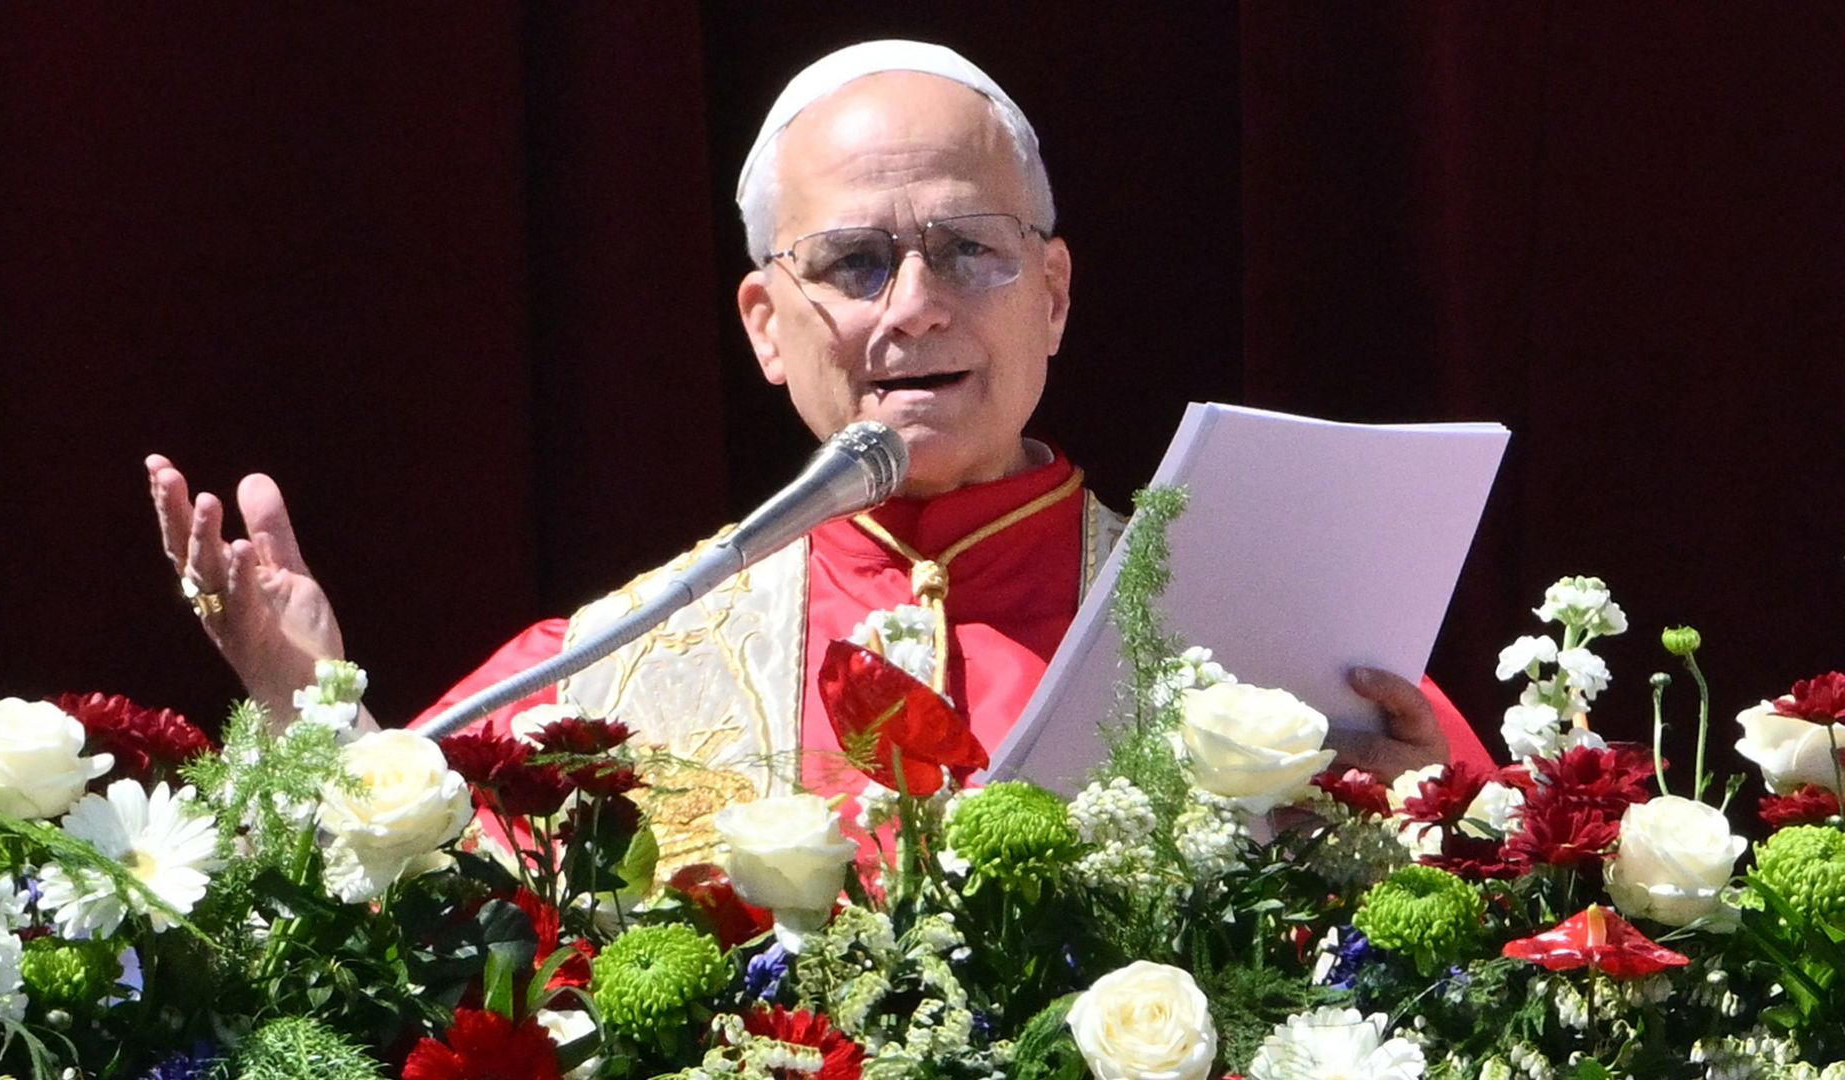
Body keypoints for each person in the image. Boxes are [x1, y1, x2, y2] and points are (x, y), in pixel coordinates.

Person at [148, 42, 1487, 851]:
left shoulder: (1260, 630)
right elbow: (417, 889)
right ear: (765, 327)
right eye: (851, 262)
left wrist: (1423, 823)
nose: (915, 306)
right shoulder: (631, 658)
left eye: (970, 248)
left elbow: (1515, 887)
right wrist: (306, 706)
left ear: (1058, 295)